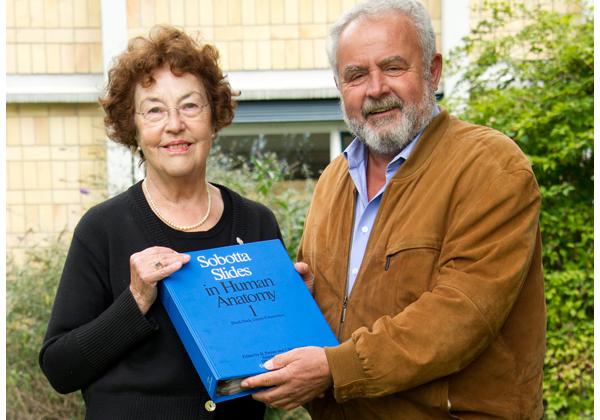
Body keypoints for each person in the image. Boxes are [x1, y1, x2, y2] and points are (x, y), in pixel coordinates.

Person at [240, 1, 546, 418]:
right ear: (338, 85)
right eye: (356, 75)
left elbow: (459, 316)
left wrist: (336, 368)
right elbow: (332, 306)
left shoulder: (490, 167)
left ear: (433, 71)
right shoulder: (334, 179)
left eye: (393, 67)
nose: (376, 88)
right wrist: (291, 303)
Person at [39, 25, 279, 419]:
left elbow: (272, 362)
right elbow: (60, 368)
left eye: (190, 106)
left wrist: (287, 305)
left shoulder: (255, 223)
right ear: (132, 126)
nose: (174, 125)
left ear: (214, 117)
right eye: (154, 110)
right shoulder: (103, 229)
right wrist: (134, 302)